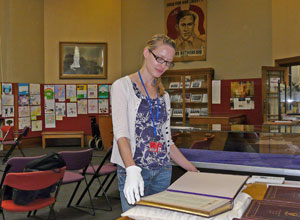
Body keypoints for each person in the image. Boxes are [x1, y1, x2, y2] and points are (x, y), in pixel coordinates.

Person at [110, 34, 198, 212]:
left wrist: (192, 170)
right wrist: (131, 169)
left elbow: (167, 142)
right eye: (160, 59)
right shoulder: (122, 86)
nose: (163, 66)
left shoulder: (163, 96)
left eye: (168, 62)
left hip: (162, 172)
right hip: (135, 170)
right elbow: (121, 135)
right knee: (133, 216)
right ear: (146, 52)